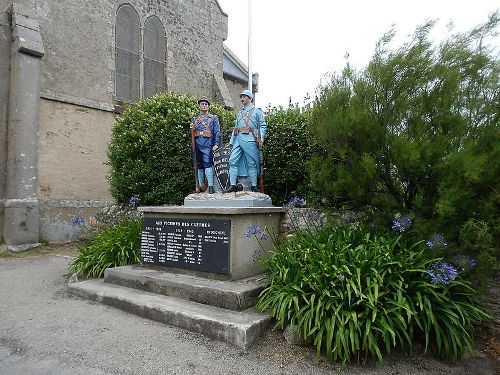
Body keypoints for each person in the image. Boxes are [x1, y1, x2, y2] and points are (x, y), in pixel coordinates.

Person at [226, 90, 267, 193]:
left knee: (252, 163)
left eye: (244, 96)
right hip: (238, 139)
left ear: (250, 98)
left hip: (250, 139)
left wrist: (261, 138)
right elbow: (236, 128)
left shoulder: (257, 111)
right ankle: (233, 185)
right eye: (242, 97)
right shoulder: (239, 113)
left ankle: (254, 186)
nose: (242, 98)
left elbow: (262, 125)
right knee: (232, 160)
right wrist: (231, 142)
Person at [190, 96, 221, 194]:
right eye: (202, 104)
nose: (204, 105)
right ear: (199, 106)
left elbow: (217, 132)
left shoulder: (213, 118)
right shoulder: (194, 119)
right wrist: (191, 129)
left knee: (207, 163)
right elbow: (190, 135)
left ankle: (210, 186)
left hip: (207, 144)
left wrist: (216, 143)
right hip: (197, 144)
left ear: (208, 106)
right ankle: (200, 187)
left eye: (206, 104)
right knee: (198, 165)